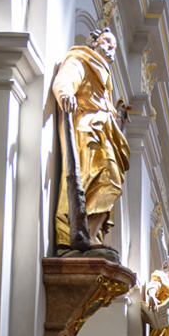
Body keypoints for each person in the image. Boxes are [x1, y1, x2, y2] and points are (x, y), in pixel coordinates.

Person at [52, 27, 130, 251]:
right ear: (93, 42)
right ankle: (78, 232)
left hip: (103, 131)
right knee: (100, 178)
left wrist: (118, 118)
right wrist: (65, 94)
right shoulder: (82, 60)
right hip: (87, 129)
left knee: (111, 181)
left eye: (113, 45)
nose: (111, 47)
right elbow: (66, 79)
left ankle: (91, 234)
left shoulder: (105, 77)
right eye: (106, 41)